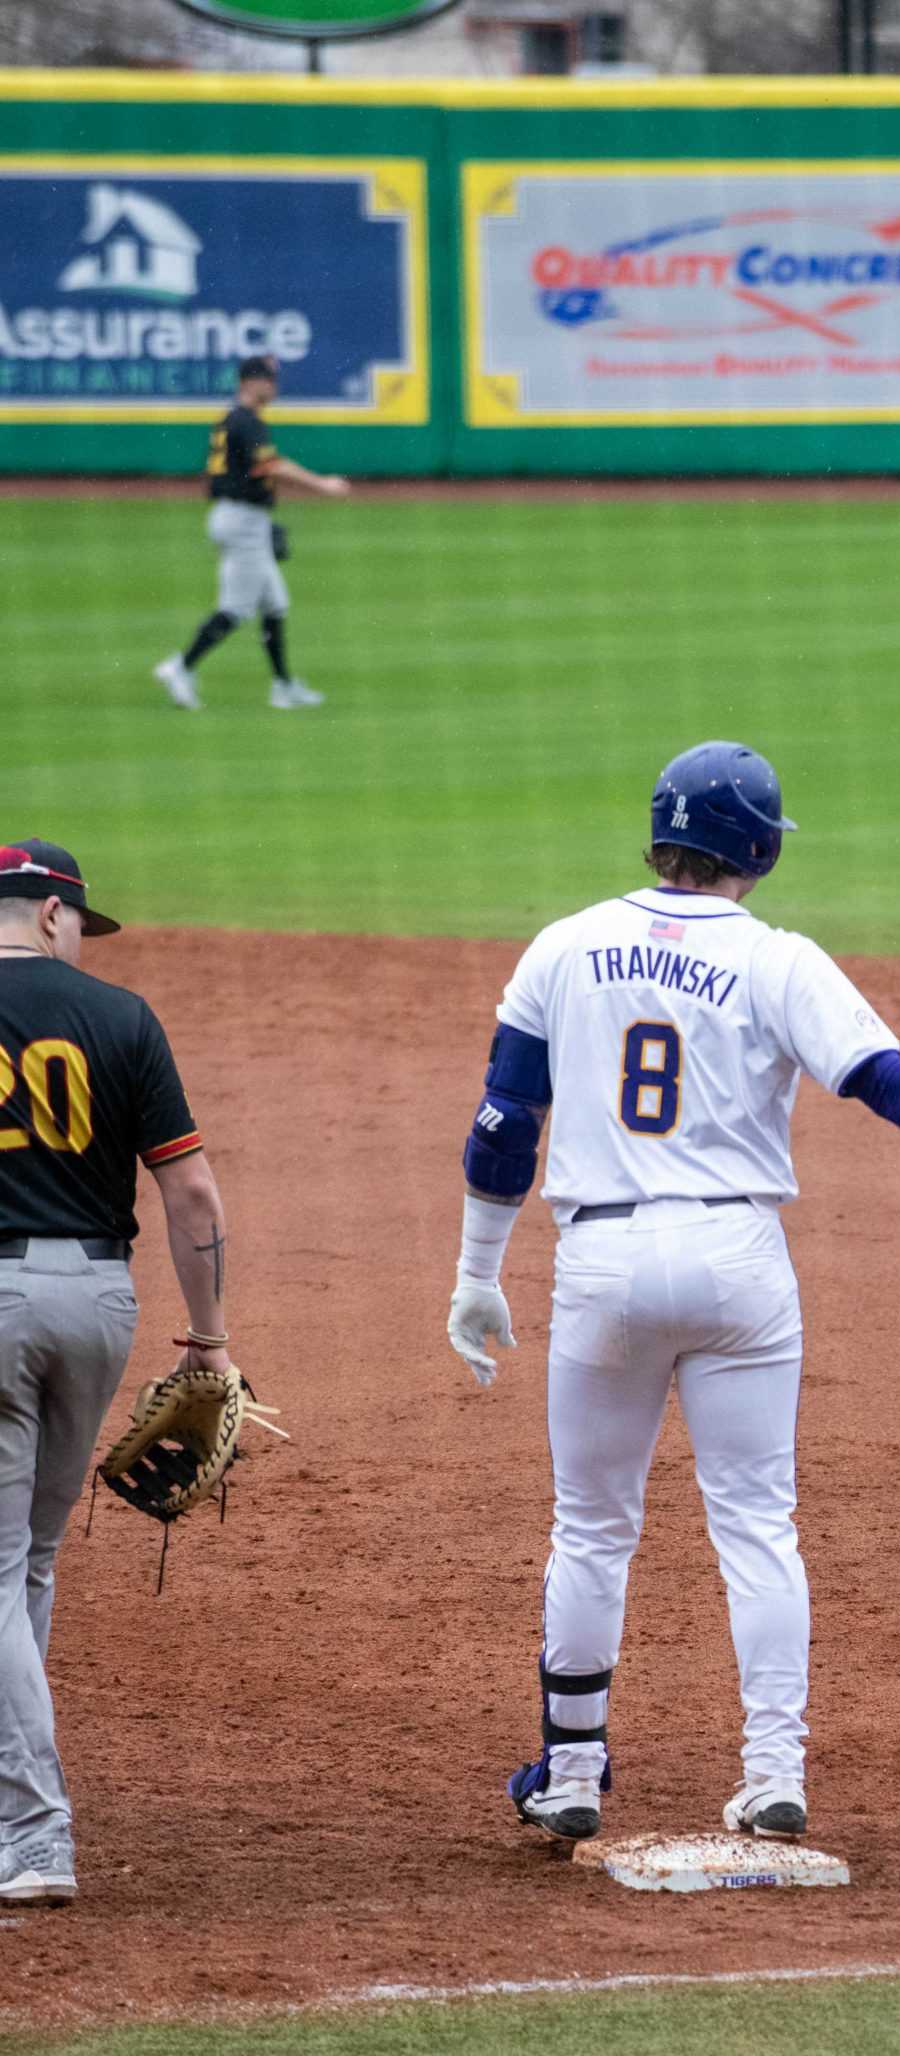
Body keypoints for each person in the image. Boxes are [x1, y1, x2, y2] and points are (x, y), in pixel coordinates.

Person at [446, 740, 900, 1848]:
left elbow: (506, 1124)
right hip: (739, 1261)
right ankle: (771, 1770)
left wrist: (475, 1272)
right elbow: (886, 1083)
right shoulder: (779, 959)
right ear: (758, 848)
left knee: (592, 1526)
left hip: (600, 1264)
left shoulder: (561, 945)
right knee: (757, 1523)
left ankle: (570, 1771)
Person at [0, 839, 234, 1906]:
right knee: (31, 1559)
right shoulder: (123, 1018)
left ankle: (36, 1833)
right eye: (77, 927)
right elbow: (192, 1200)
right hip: (97, 1305)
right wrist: (211, 1336)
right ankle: (15, 1792)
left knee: (4, 1567)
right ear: (50, 911)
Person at [152, 354, 349, 713]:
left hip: (240, 517)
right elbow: (271, 466)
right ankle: (180, 668)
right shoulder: (245, 421)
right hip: (242, 521)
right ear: (249, 382)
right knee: (236, 609)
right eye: (268, 380)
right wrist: (322, 484)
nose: (274, 386)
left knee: (275, 603)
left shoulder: (234, 419)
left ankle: (283, 685)